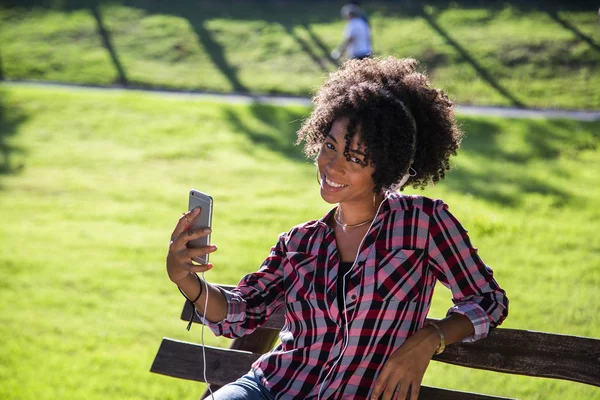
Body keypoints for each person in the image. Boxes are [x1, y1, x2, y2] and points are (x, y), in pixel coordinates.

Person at [166, 56, 509, 400]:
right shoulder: (300, 241)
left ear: (387, 166)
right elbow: (240, 314)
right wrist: (185, 278)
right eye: (330, 145)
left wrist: (430, 337)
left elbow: (487, 299)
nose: (333, 164)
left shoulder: (422, 223)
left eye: (355, 158)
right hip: (270, 388)